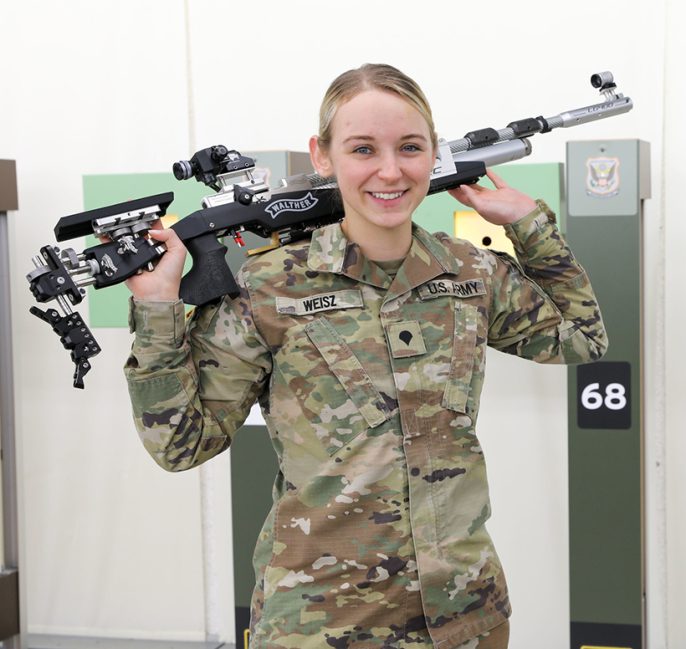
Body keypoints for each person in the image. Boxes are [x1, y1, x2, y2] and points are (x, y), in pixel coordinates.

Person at [124, 63, 607, 649]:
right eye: (362, 148)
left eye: (410, 147)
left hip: (465, 615)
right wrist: (156, 313)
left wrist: (530, 225)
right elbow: (181, 445)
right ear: (322, 156)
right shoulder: (267, 288)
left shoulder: (473, 272)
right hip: (322, 623)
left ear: (434, 156)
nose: (390, 170)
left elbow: (581, 339)